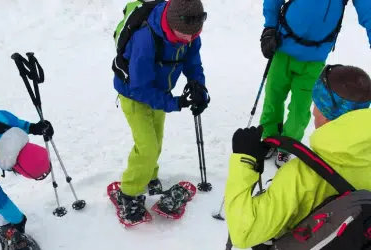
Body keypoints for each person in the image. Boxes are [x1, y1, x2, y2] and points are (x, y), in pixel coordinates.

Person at [224, 65, 371, 249]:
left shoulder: (302, 176)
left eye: (316, 105)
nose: (313, 112)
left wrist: (244, 161)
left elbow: (242, 232)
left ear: (326, 115)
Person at [112, 0, 208, 221]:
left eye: (193, 35)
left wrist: (199, 88)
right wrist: (175, 103)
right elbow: (140, 88)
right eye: (183, 35)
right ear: (170, 24)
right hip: (134, 95)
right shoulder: (146, 39)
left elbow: (193, 62)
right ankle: (128, 193)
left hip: (160, 92)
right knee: (147, 147)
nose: (188, 39)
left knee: (157, 141)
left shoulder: (190, 30)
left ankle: (148, 176)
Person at [259, 0, 371, 167]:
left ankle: (287, 145)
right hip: (283, 47)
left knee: (300, 108)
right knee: (273, 98)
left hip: (314, 58)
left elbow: (367, 9)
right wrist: (270, 27)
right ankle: (269, 137)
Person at [0, 94, 54, 247]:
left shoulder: (3, 119)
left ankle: (1, 221)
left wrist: (33, 128)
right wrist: (17, 218)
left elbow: (16, 124)